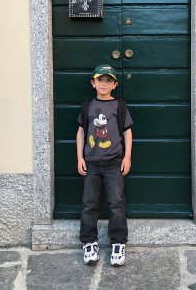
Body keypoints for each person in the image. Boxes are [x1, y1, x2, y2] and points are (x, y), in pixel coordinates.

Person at [76, 64, 133, 266]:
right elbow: (81, 132)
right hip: (91, 163)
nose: (104, 84)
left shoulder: (120, 106)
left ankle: (118, 242)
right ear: (93, 83)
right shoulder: (87, 106)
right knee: (89, 204)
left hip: (113, 162)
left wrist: (127, 157)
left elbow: (127, 132)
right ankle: (89, 242)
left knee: (116, 204)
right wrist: (80, 158)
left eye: (108, 80)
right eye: (100, 80)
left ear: (114, 85)